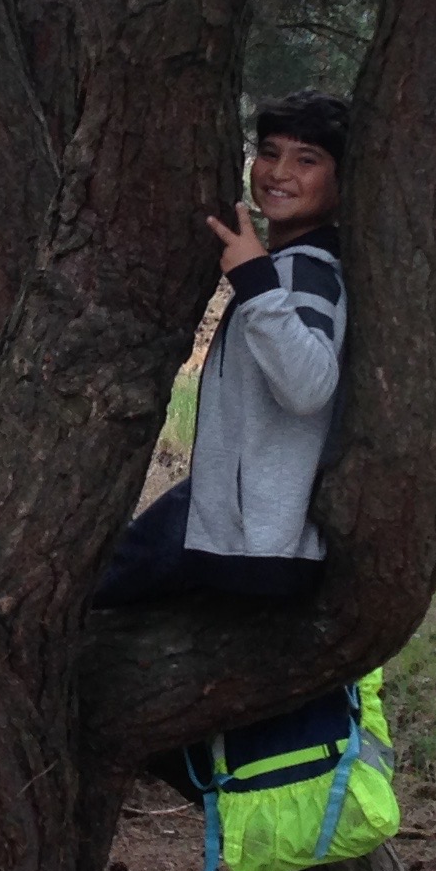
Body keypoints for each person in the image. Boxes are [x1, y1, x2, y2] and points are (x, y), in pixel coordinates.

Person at [99, 91, 350, 608]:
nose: (280, 172)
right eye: (270, 152)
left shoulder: (304, 271)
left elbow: (307, 388)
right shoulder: (292, 263)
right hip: (239, 525)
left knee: (97, 597)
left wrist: (256, 280)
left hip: (258, 544)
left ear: (345, 181)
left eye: (308, 160)